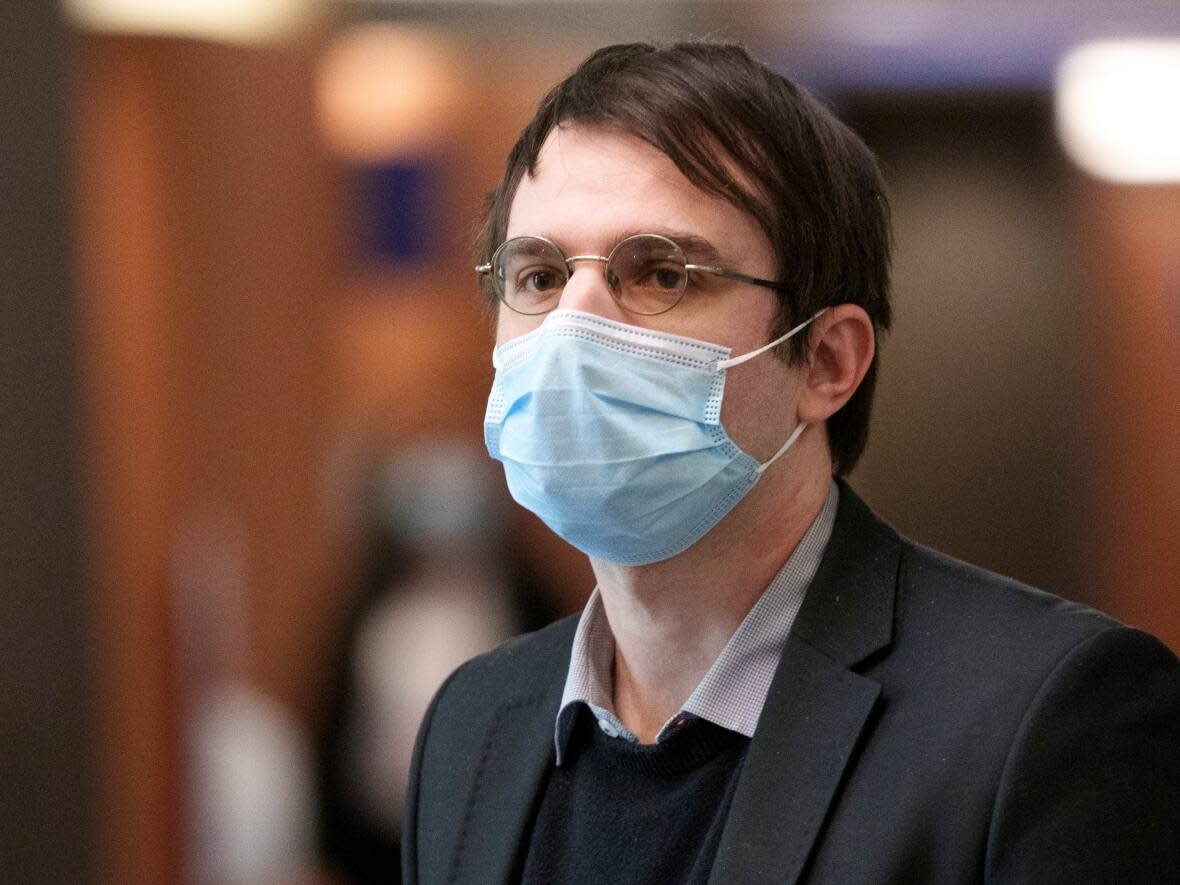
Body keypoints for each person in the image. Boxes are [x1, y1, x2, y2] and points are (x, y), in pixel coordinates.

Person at [401, 41, 1180, 885]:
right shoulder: (471, 726)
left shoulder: (1046, 717)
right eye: (541, 276)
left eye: (661, 272)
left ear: (826, 362)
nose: (574, 329)